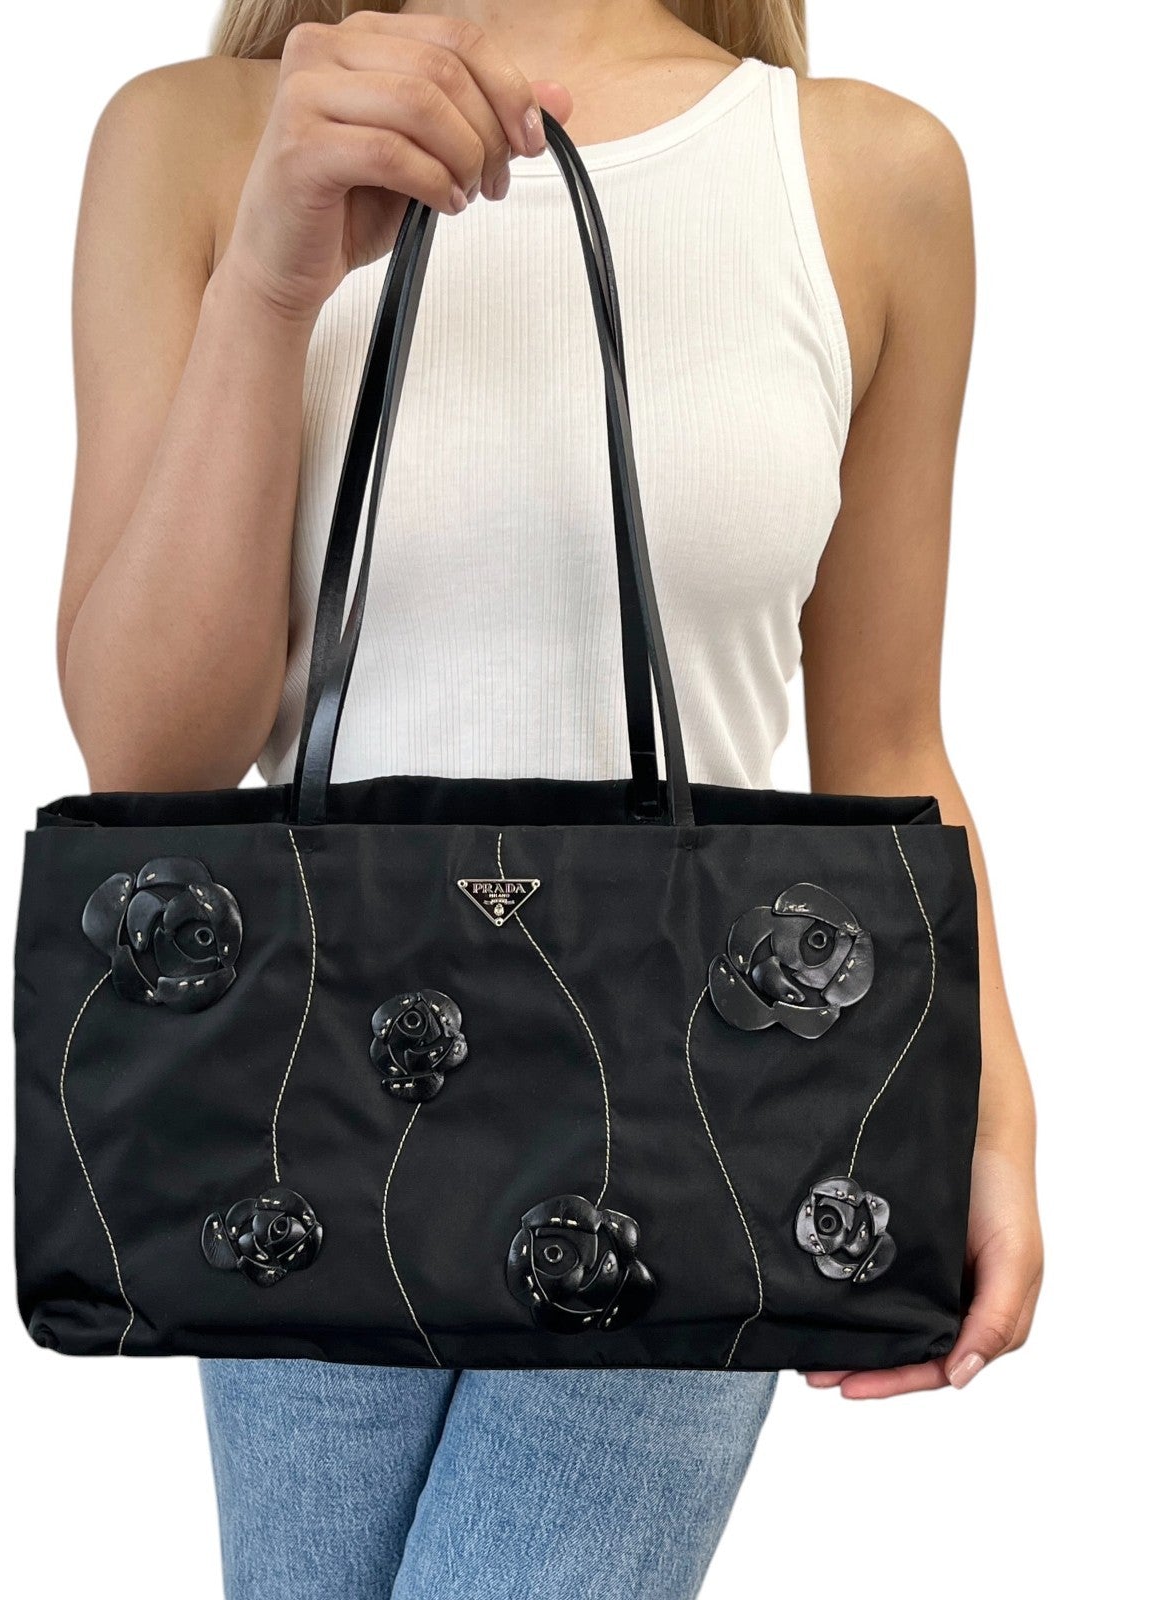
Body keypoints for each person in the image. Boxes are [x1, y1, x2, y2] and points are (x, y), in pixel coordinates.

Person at [55, 2, 1043, 1594]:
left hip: (694, 1109)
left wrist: (988, 1112)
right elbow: (146, 768)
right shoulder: (195, 136)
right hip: (305, 1106)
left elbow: (884, 742)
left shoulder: (866, 173)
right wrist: (272, 282)